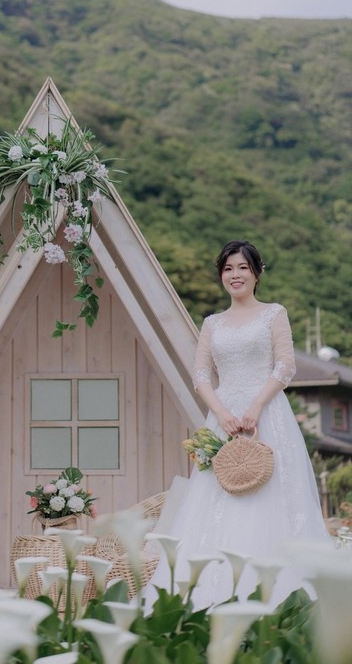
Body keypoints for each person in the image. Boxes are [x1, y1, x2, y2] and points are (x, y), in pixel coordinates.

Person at [145, 239, 332, 611]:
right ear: (221, 276)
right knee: (220, 497)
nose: (235, 275)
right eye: (228, 269)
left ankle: (284, 599)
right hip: (224, 419)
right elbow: (200, 376)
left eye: (243, 268)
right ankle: (209, 597)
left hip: (268, 416)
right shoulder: (212, 323)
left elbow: (285, 366)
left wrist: (257, 406)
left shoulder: (273, 313)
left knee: (273, 496)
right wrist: (224, 414)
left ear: (257, 273)